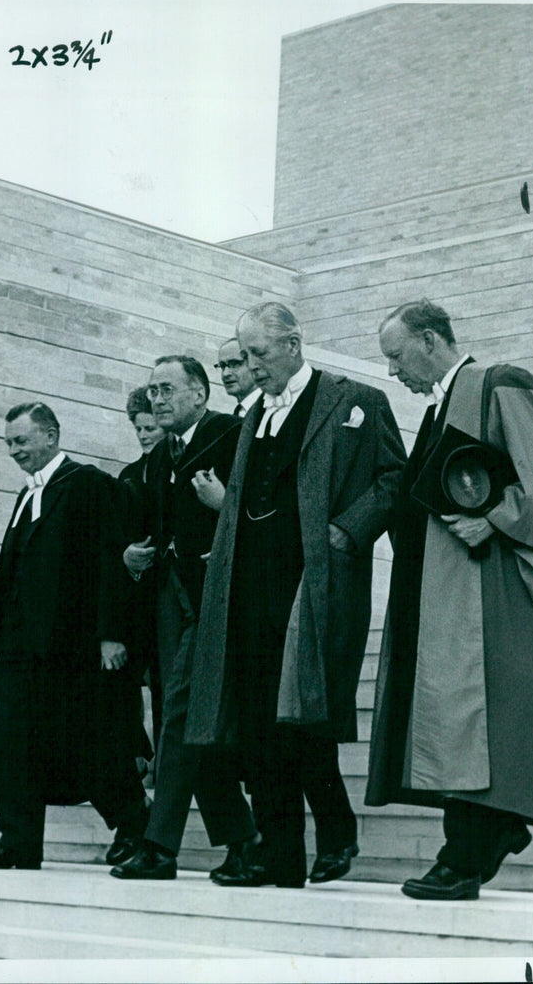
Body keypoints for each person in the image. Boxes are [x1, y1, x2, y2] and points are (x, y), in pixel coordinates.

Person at [367, 298, 533, 900]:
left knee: (486, 724)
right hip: (451, 595)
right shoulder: (443, 406)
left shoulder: (502, 384)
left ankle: (468, 856)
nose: (393, 372)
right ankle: (479, 842)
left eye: (396, 357)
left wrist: (497, 517)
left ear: (428, 340)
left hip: (496, 593)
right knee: (462, 725)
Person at [185, 302, 406, 888]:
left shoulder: (355, 400)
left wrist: (349, 529)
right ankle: (280, 862)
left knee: (306, 723)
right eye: (244, 355)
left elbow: (394, 478)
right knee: (259, 725)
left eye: (259, 353)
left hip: (317, 587)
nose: (251, 367)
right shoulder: (252, 415)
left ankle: (336, 832)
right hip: (248, 591)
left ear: (294, 345)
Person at [0, 402, 149, 870]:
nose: (14, 451)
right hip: (16, 651)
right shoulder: (27, 494)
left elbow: (110, 560)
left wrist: (111, 633)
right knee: (11, 745)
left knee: (88, 743)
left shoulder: (86, 484)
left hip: (68, 648)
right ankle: (19, 843)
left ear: (50, 436)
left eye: (22, 441)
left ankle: (134, 822)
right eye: (9, 443)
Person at [111, 357, 259, 880]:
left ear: (199, 393)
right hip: (170, 600)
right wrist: (129, 555)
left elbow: (256, 508)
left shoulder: (231, 433)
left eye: (168, 389)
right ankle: (242, 838)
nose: (159, 400)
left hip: (213, 600)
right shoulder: (160, 455)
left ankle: (160, 846)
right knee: (194, 721)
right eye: (153, 391)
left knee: (177, 713)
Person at [117, 389, 165, 758]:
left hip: (165, 587)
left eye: (151, 427)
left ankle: (161, 757)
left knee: (163, 683)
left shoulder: (172, 467)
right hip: (136, 591)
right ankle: (138, 754)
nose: (145, 435)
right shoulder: (129, 475)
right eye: (139, 428)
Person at [214, 337, 260, 416]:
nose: (225, 374)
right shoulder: (241, 411)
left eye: (234, 364)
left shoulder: (268, 410)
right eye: (222, 366)